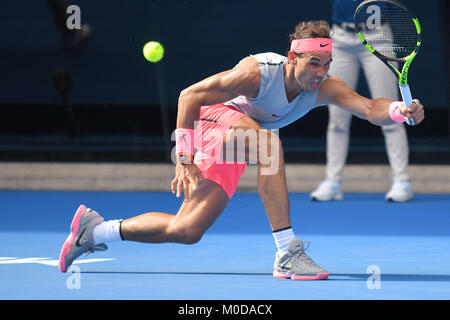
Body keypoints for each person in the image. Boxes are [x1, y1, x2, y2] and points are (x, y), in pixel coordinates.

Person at [58, 20, 424, 280]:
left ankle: (95, 231)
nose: (320, 72)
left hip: (241, 139)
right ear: (292, 57)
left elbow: (368, 108)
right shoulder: (257, 72)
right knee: (268, 144)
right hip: (216, 120)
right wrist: (183, 159)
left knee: (187, 230)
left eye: (326, 65)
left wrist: (398, 111)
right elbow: (190, 95)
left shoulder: (324, 87)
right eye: (314, 63)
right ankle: (287, 252)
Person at [310, 0, 413, 202]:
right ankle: (333, 181)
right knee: (337, 118)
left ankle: (402, 181)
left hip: (377, 36)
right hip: (341, 38)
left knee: (393, 114)